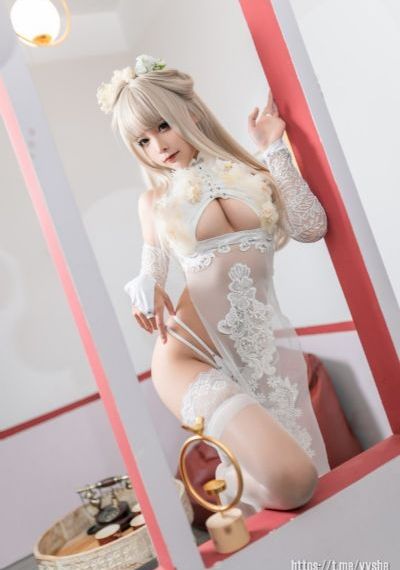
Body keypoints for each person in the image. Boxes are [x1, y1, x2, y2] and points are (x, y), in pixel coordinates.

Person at [97, 54, 331, 517]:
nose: (157, 146)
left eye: (162, 126)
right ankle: (232, 491)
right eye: (142, 140)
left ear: (191, 112)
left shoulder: (255, 175)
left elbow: (311, 226)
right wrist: (145, 286)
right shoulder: (155, 201)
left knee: (307, 477)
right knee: (294, 481)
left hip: (255, 354)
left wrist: (274, 147)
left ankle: (238, 496)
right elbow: (152, 269)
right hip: (186, 358)